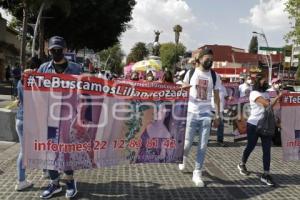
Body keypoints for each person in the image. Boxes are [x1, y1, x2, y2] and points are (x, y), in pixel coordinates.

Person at [38, 36, 82, 199]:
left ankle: (70, 181)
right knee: (50, 150)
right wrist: (27, 75)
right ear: (49, 51)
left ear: (65, 50)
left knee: (66, 150)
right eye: (52, 50)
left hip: (68, 117)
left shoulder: (76, 69)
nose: (56, 52)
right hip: (48, 117)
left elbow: (85, 91)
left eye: (59, 49)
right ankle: (54, 182)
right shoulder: (43, 68)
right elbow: (35, 90)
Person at [178, 47, 221, 187]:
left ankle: (197, 172)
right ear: (200, 58)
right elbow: (182, 86)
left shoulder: (215, 76)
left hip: (206, 114)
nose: (210, 61)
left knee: (202, 146)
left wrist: (218, 115)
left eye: (211, 60)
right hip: (191, 112)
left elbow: (216, 97)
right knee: (187, 143)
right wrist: (183, 87)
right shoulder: (191, 72)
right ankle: (183, 157)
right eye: (207, 59)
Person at [237, 74, 282, 187]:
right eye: (264, 81)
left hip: (266, 124)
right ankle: (242, 163)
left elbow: (271, 109)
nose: (266, 82)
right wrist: (279, 96)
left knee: (267, 150)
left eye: (266, 81)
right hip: (254, 125)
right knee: (251, 146)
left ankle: (266, 174)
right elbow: (267, 105)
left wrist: (276, 119)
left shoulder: (267, 93)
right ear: (258, 82)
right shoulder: (254, 93)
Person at [14, 58, 40, 191]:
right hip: (27, 120)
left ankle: (46, 171)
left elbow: (19, 99)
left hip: (20, 119)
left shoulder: (21, 80)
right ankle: (21, 181)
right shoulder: (34, 81)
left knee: (36, 147)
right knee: (25, 152)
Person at [212, 76, 228, 146]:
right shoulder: (211, 86)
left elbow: (225, 96)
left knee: (220, 125)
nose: (220, 80)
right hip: (210, 108)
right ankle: (204, 139)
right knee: (207, 125)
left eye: (220, 79)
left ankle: (220, 140)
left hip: (220, 109)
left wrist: (229, 97)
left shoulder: (223, 87)